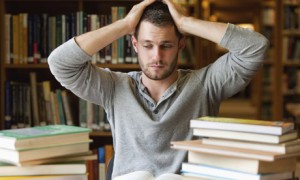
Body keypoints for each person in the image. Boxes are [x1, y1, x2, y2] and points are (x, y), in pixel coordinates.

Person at [48, 0, 269, 179]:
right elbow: (60, 62)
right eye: (147, 45)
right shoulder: (114, 87)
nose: (156, 56)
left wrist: (186, 22)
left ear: (180, 45)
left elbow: (255, 47)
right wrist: (125, 25)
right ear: (135, 44)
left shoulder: (206, 84)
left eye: (166, 45)